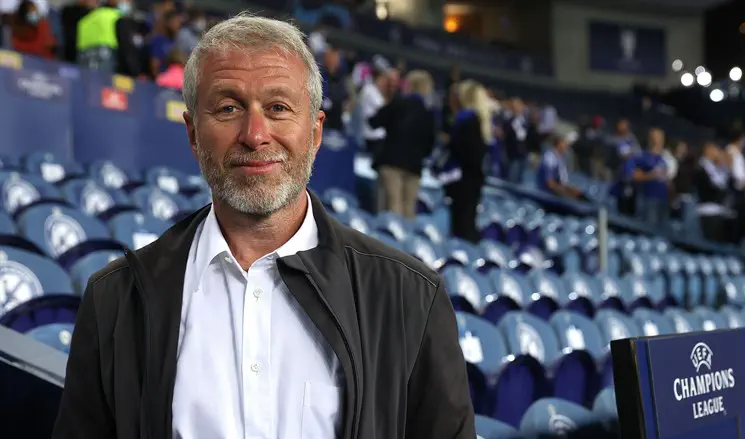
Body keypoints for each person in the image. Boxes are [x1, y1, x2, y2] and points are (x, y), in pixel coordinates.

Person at [52, 14, 475, 439]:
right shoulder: (115, 300)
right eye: (228, 108)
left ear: (314, 133)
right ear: (194, 135)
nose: (255, 135)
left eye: (278, 108)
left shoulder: (411, 298)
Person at [369, 69, 436, 219]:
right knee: (408, 211)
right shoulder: (428, 114)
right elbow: (429, 147)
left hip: (391, 164)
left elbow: (374, 121)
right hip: (414, 168)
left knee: (391, 209)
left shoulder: (398, 103)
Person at [443, 79, 491, 243]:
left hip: (463, 180)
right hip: (473, 180)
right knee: (468, 221)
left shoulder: (466, 120)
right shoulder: (480, 120)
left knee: (462, 224)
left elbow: (461, 151)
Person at [634, 128, 670, 229]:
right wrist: (652, 175)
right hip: (648, 199)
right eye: (655, 137)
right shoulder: (643, 156)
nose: (658, 140)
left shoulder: (664, 158)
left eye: (660, 138)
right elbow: (636, 176)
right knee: (650, 229)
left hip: (663, 200)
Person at [694, 142, 731, 243]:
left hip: (717, 210)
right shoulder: (703, 167)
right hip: (707, 209)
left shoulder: (715, 168)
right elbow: (713, 187)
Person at [537, 134, 583, 200]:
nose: (566, 146)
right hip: (545, 192)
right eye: (564, 144)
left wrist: (572, 188)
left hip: (555, 191)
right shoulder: (550, 158)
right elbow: (550, 183)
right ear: (559, 145)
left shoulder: (560, 159)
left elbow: (563, 182)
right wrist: (567, 192)